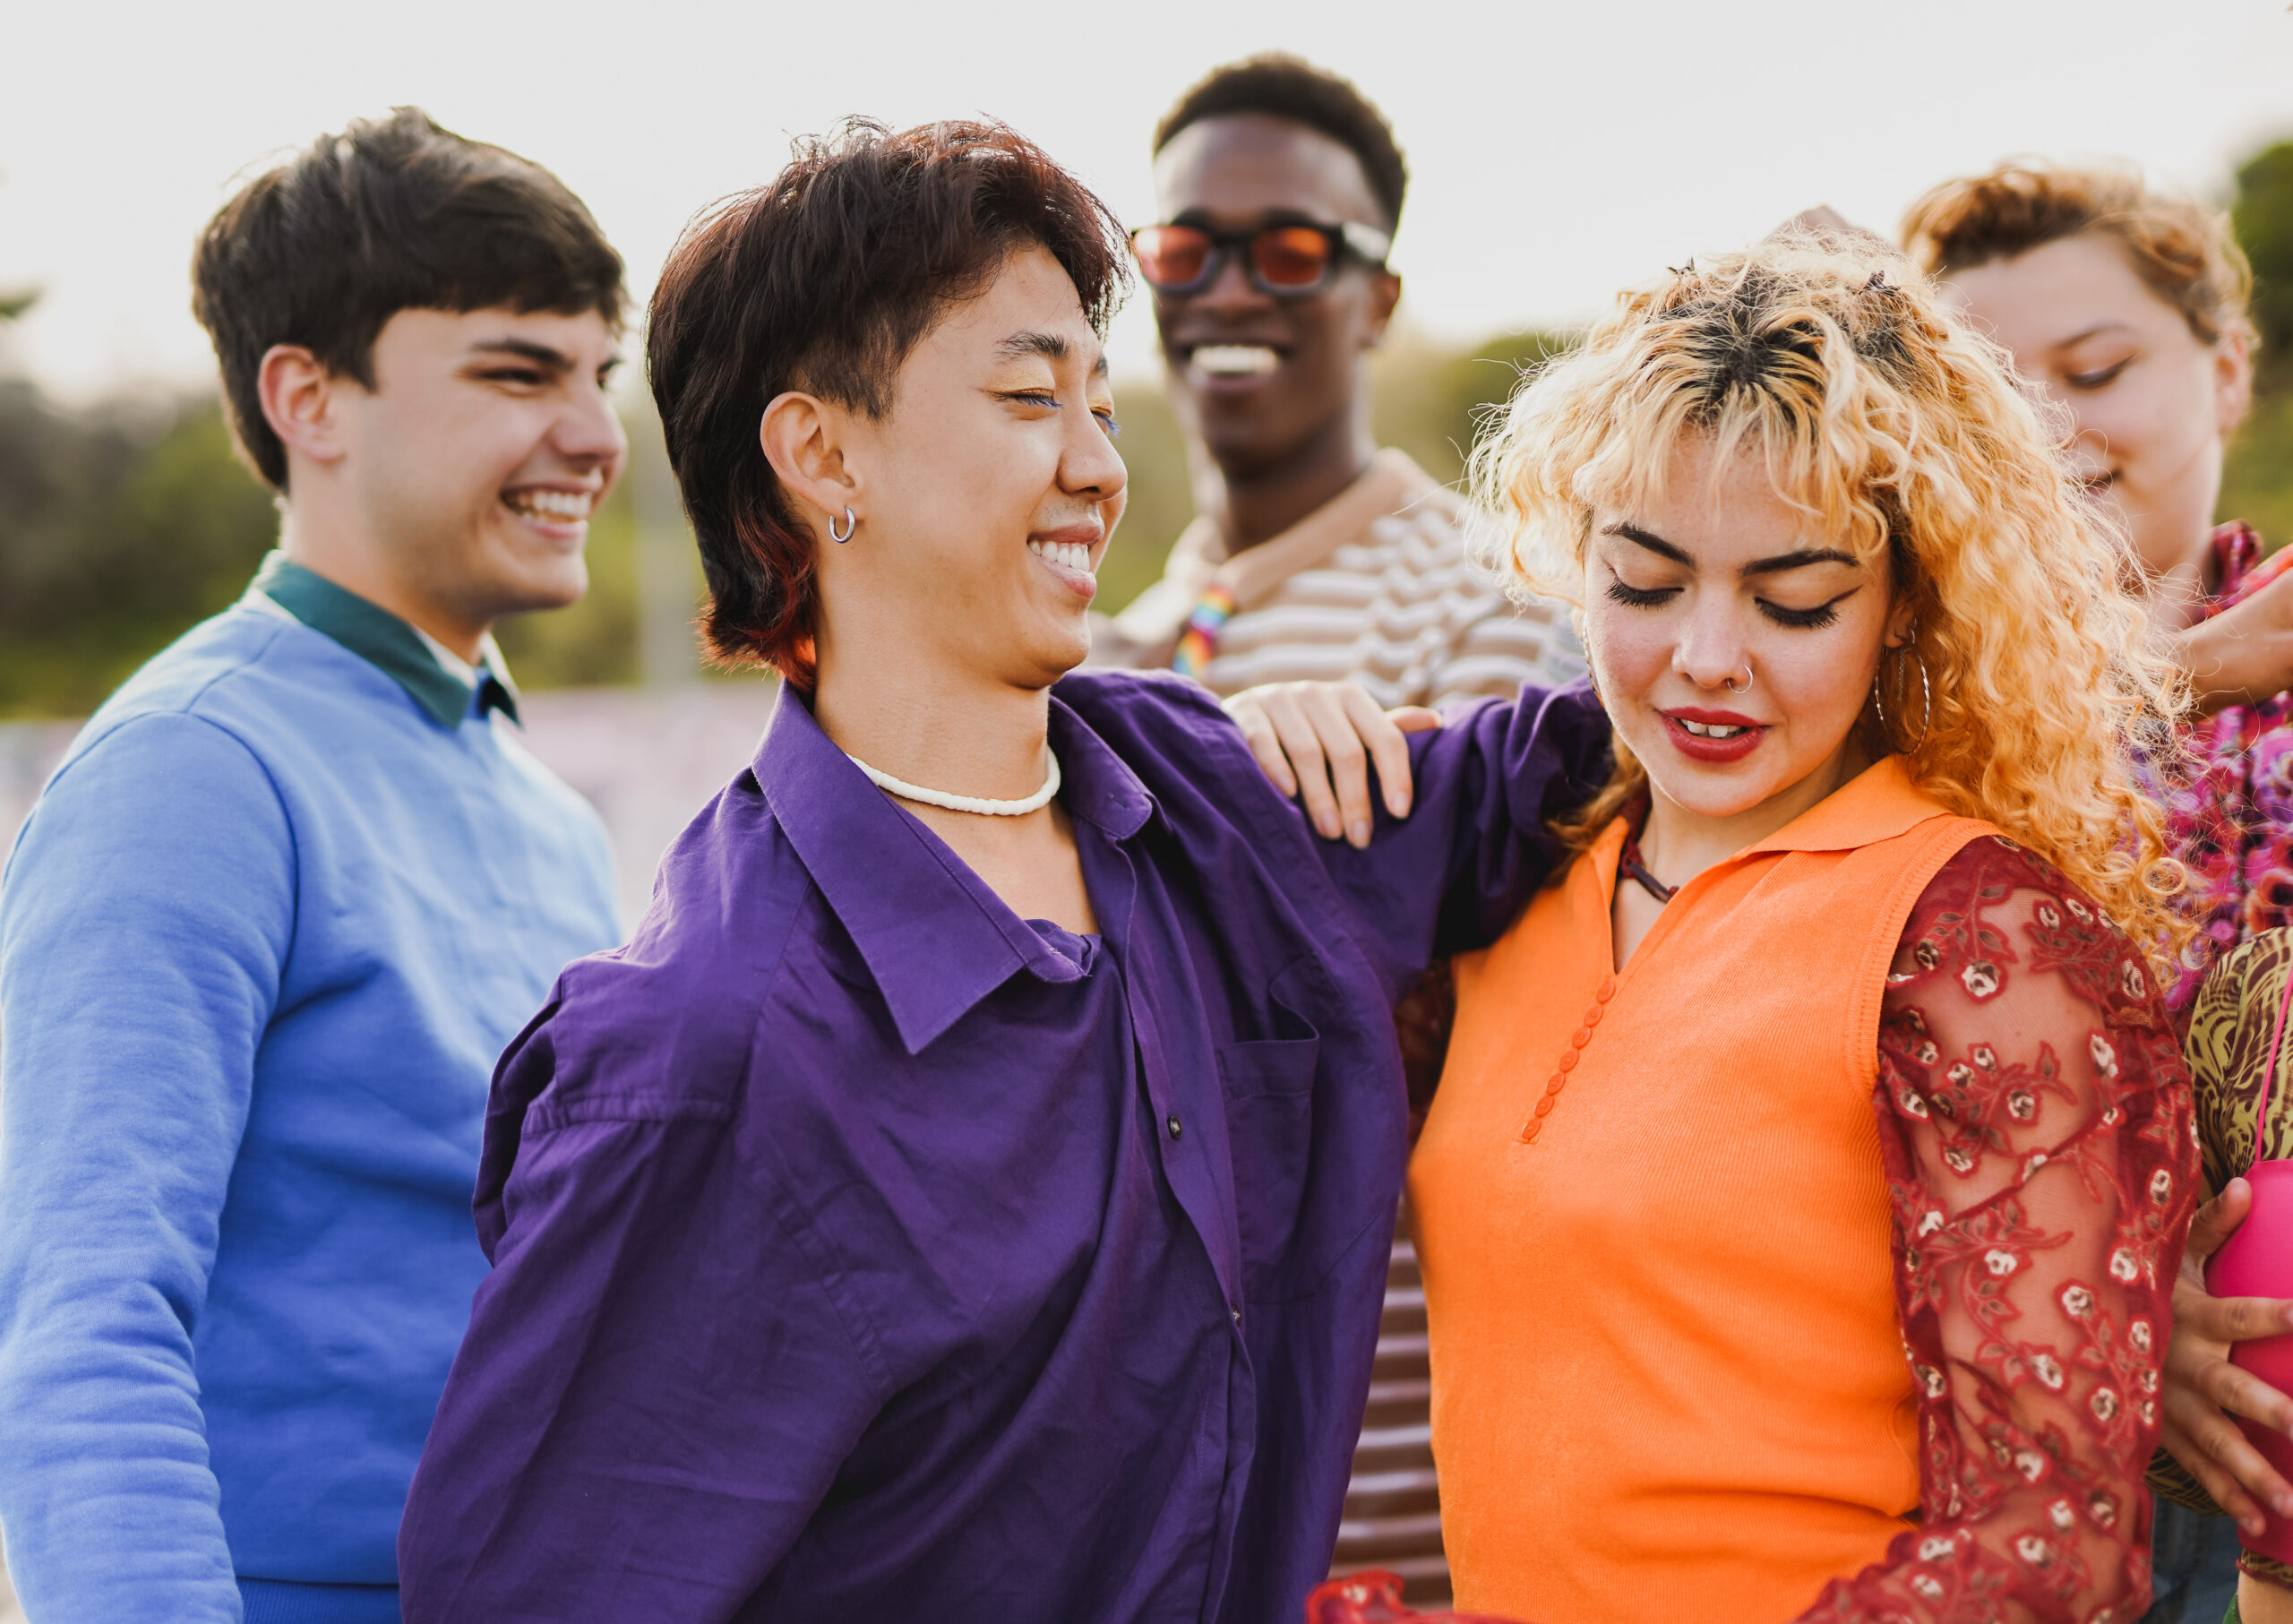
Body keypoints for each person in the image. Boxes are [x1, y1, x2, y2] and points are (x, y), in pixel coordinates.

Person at [393, 118, 1610, 1623]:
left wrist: (1784, 377)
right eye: (1031, 396)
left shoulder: (1208, 805)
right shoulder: (703, 1060)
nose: (1100, 468)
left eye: (1101, 404)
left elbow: (1616, 747)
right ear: (822, 452)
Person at [1242, 234, 2197, 1621]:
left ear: (1903, 603)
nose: (1704, 657)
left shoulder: (1983, 936)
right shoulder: (1513, 880)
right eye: (1642, 582)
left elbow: (2046, 1554)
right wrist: (1256, 750)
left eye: (1792, 598)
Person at [0, 109, 627, 1624]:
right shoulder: (194, 768)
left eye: (601, 374)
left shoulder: (549, 813)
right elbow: (84, 1319)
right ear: (309, 399)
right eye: (517, 372)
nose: (598, 437)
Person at [1101, 55, 1588, 1603]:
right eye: (1186, 248)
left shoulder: (1491, 600)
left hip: (1422, 1492)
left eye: (1293, 250)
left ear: (1378, 299)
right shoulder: (1117, 643)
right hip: (1181, 1509)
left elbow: (1446, 1010)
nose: (1231, 287)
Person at [1902, 160, 2279, 1624]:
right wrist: (2126, 1315)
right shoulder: (1896, 731)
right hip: (2004, 1456)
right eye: (1991, 394)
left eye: (2098, 367)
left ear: (2228, 370)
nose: (2049, 428)